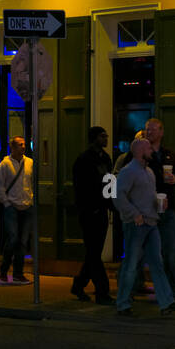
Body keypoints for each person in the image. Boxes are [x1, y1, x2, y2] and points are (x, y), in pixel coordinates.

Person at [114, 138, 175, 317]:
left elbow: (150, 195)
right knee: (131, 264)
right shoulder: (128, 172)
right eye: (148, 148)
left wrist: (158, 202)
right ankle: (123, 303)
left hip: (151, 223)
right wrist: (134, 214)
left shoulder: (149, 172)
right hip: (136, 225)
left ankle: (166, 302)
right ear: (139, 151)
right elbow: (118, 196)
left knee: (157, 264)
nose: (151, 151)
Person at [71, 126, 114, 304]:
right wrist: (89, 206)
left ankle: (79, 284)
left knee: (93, 252)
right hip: (89, 212)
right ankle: (102, 291)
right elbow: (80, 187)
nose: (106, 138)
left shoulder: (106, 158)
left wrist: (111, 204)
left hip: (102, 210)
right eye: (102, 136)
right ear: (94, 138)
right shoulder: (84, 160)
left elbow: (110, 183)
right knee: (94, 253)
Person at [143, 117, 175, 295]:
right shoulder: (141, 154)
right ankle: (133, 287)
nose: (149, 132)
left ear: (161, 132)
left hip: (167, 211)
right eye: (147, 129)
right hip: (147, 211)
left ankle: (171, 291)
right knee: (142, 253)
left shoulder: (170, 155)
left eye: (152, 129)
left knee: (170, 253)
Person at [0, 136, 34, 284]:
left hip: (26, 206)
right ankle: (4, 269)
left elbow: (32, 183)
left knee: (23, 242)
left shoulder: (30, 163)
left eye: (24, 144)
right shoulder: (5, 165)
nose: (23, 147)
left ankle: (18, 274)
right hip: (11, 206)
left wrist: (31, 200)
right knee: (13, 239)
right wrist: (6, 203)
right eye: (20, 145)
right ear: (12, 147)